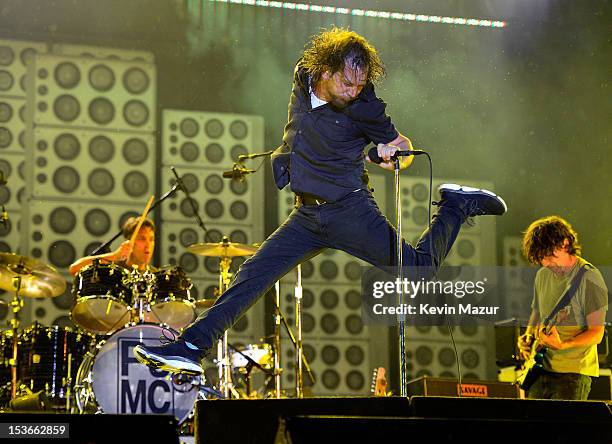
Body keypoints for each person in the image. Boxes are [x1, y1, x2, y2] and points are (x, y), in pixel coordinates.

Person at [134, 27, 507, 376]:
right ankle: (191, 349)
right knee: (250, 276)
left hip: (349, 210)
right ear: (323, 71)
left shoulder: (365, 106)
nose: (353, 91)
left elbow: (403, 149)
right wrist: (358, 153)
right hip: (307, 216)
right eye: (347, 82)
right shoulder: (303, 75)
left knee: (418, 272)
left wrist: (390, 154)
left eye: (360, 85)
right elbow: (323, 135)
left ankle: (456, 207)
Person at [517, 216, 608, 400]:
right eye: (542, 258)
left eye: (550, 256)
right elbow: (537, 311)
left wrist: (563, 344)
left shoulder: (589, 278)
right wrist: (527, 336)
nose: (546, 263)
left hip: (572, 375)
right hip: (539, 369)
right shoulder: (542, 275)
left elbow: (596, 333)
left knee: (564, 429)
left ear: (565, 244)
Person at [69, 217, 155, 275]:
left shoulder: (156, 277)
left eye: (151, 239)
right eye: (142, 239)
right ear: (129, 242)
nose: (148, 245)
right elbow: (74, 269)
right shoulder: (113, 270)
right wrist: (115, 256)